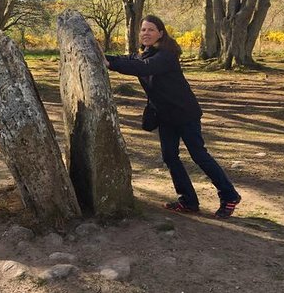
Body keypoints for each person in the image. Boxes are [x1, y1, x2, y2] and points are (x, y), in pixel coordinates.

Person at [103, 15, 241, 218]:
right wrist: (103, 57)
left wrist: (109, 64)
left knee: (199, 155)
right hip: (166, 116)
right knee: (169, 156)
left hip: (185, 114)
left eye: (151, 30)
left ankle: (229, 195)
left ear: (161, 33)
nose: (146, 33)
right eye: (143, 30)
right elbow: (129, 60)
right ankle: (188, 201)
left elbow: (144, 67)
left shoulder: (166, 56)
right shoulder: (146, 53)